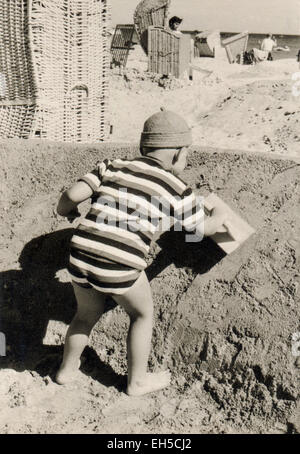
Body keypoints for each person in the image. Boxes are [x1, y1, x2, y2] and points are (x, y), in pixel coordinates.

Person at [55, 108, 229, 396]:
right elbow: (201, 230)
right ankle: (136, 382)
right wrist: (220, 211)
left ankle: (66, 370)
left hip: (80, 254)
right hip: (120, 263)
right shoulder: (177, 187)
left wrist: (66, 211)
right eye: (186, 153)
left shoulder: (113, 165)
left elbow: (71, 197)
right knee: (142, 314)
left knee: (84, 316)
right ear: (176, 154)